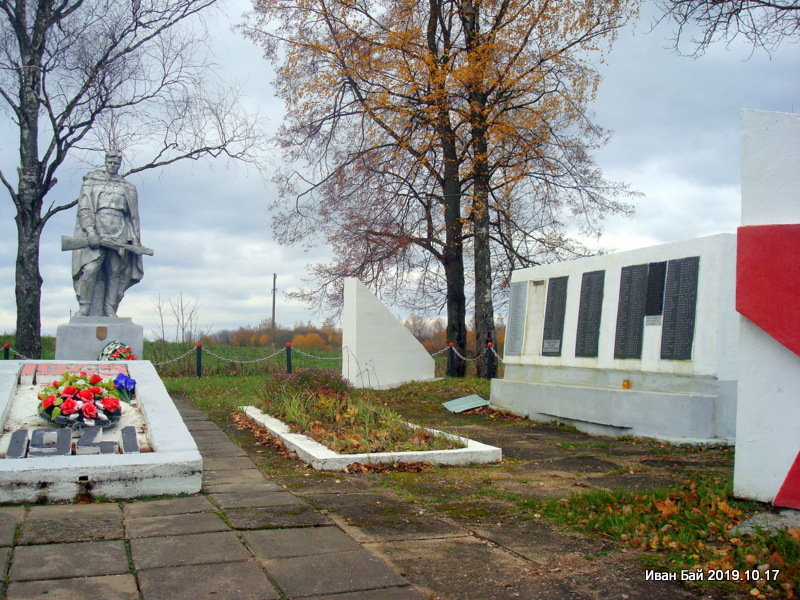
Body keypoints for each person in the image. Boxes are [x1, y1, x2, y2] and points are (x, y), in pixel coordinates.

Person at [71, 151, 144, 317]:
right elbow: (84, 208)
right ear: (105, 162)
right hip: (98, 228)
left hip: (120, 231)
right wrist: (90, 231)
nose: (112, 165)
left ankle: (110, 307)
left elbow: (132, 216)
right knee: (90, 268)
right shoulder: (91, 182)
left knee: (115, 271)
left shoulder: (127, 187)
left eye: (115, 163)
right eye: (110, 162)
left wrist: (135, 239)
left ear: (120, 164)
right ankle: (85, 306)